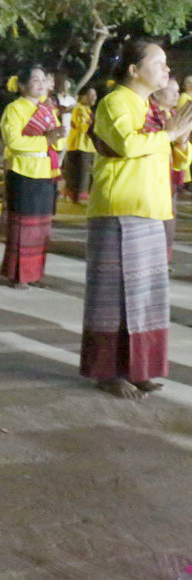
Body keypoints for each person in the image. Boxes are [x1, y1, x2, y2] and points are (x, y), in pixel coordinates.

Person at [80, 39, 192, 400]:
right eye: (158, 63)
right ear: (133, 69)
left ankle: (138, 369)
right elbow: (127, 144)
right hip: (119, 208)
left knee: (146, 296)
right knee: (113, 297)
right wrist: (169, 134)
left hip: (151, 208)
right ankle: (108, 372)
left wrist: (180, 140)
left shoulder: (151, 107)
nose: (167, 70)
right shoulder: (115, 102)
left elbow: (175, 159)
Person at [0, 65, 66, 289]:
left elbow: (58, 140)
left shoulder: (47, 109)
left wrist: (56, 138)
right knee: (22, 228)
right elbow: (14, 141)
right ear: (22, 85)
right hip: (23, 171)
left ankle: (35, 273)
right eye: (35, 80)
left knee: (40, 229)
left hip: (46, 171)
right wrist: (45, 140)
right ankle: (18, 275)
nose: (41, 84)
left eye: (43, 79)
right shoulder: (14, 109)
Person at [149, 77, 188, 261]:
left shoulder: (173, 115)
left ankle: (163, 260)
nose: (176, 95)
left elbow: (182, 159)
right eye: (171, 91)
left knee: (168, 221)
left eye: (178, 91)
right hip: (150, 178)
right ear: (156, 93)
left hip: (168, 177)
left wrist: (182, 141)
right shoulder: (147, 114)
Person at [62, 86, 97, 203]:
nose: (94, 98)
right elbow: (84, 127)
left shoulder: (86, 110)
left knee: (76, 171)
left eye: (95, 95)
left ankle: (72, 195)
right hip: (81, 145)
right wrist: (94, 124)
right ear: (83, 96)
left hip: (82, 145)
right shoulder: (79, 109)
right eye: (91, 95)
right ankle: (80, 196)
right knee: (83, 172)